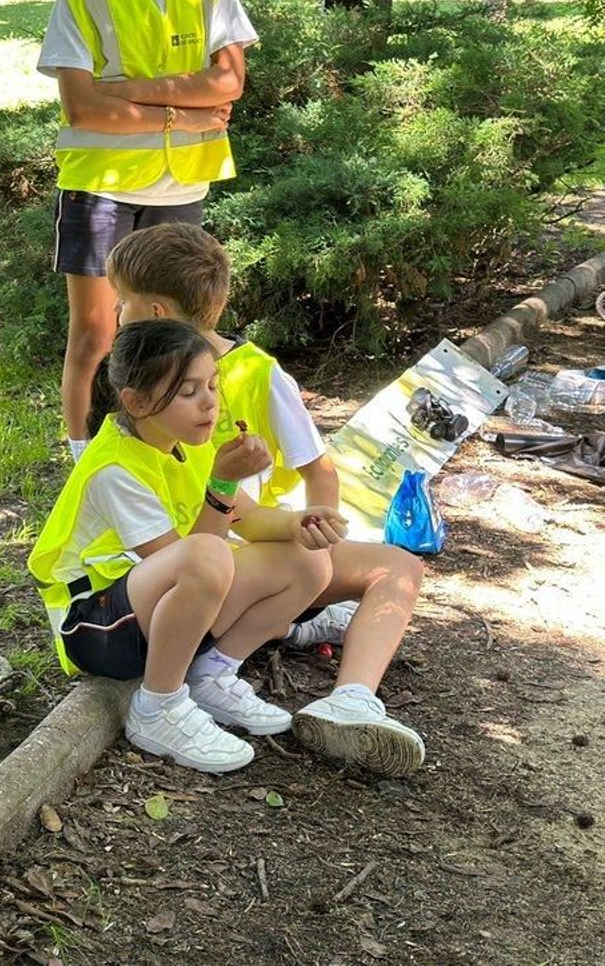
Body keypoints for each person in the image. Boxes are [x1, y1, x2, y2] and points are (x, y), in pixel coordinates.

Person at [104, 223, 427, 776]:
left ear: (154, 312)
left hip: (259, 539)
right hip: (197, 564)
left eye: (122, 301)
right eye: (192, 392)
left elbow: (317, 474)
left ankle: (351, 698)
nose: (115, 313)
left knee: (400, 566)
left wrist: (315, 532)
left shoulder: (256, 374)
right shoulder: (138, 391)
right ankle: (270, 635)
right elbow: (174, 537)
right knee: (249, 564)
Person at [37, 0, 259, 457]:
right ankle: (82, 461)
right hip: (100, 189)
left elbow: (229, 82)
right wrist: (181, 113)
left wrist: (130, 90)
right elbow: (83, 108)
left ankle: (166, 457)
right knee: (95, 335)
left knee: (179, 334)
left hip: (177, 187)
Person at [28, 320, 338, 774]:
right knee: (209, 556)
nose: (209, 402)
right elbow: (192, 558)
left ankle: (211, 673)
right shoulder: (113, 468)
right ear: (137, 402)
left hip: (156, 609)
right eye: (188, 391)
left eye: (212, 385)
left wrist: (301, 522)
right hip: (93, 626)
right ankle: (157, 707)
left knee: (308, 562)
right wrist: (222, 483)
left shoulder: (186, 442)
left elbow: (250, 519)